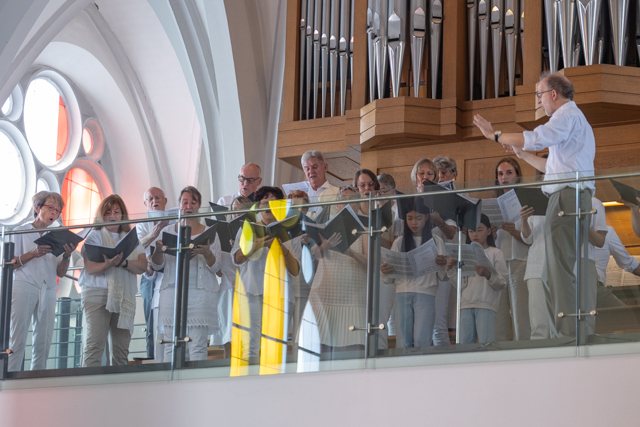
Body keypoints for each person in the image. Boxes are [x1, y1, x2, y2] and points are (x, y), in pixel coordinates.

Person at [473, 72, 596, 339]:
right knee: (554, 271)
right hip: (565, 194)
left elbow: (539, 137)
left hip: (567, 197)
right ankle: (566, 332)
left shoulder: (566, 116)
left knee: (558, 270)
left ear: (554, 93)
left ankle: (569, 335)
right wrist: (522, 154)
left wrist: (494, 134)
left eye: (539, 94)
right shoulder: (572, 121)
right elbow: (551, 169)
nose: (539, 101)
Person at [151, 186, 222, 361]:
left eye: (193, 202)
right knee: (170, 345)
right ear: (179, 205)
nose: (188, 206)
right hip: (172, 292)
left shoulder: (209, 232)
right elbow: (156, 265)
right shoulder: (166, 231)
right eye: (185, 202)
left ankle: (197, 387)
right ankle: (171, 387)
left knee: (198, 346)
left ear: (198, 205)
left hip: (201, 294)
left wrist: (207, 253)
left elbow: (218, 268)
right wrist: (159, 251)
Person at [8, 192, 76, 371]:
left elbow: (60, 273)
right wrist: (33, 253)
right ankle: (9, 379)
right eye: (51, 207)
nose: (54, 213)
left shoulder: (57, 236)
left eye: (58, 211)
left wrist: (67, 255)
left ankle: (37, 380)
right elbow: (9, 265)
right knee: (17, 337)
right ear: (37, 208)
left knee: (44, 340)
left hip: (48, 288)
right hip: (24, 284)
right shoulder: (20, 231)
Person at [232, 186, 300, 359]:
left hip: (280, 295)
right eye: (264, 202)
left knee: (276, 346)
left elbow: (295, 270)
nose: (268, 206)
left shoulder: (290, 229)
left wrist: (281, 248)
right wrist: (256, 245)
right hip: (253, 292)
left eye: (273, 202)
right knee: (251, 345)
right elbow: (237, 259)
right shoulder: (248, 228)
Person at [80, 195, 147, 367]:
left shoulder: (131, 238)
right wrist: (108, 265)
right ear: (102, 215)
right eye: (108, 212)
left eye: (117, 212)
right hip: (97, 295)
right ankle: (88, 389)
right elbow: (90, 268)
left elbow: (142, 266)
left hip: (124, 296)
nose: (112, 215)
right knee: (94, 345)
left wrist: (123, 263)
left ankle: (119, 392)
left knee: (121, 349)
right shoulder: (94, 236)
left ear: (123, 215)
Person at [304, 186, 368, 352]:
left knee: (352, 347)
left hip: (352, 294)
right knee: (321, 346)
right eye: (343, 199)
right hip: (325, 291)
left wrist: (350, 252)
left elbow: (371, 263)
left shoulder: (365, 229)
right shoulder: (325, 227)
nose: (346, 202)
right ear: (338, 204)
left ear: (358, 203)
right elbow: (314, 255)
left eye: (351, 198)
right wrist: (324, 245)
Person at [380, 198, 448, 348]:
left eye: (418, 218)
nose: (414, 223)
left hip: (426, 294)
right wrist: (385, 271)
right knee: (403, 342)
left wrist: (444, 265)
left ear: (426, 218)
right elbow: (388, 279)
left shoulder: (436, 242)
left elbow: (443, 277)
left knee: (421, 341)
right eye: (409, 218)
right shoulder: (399, 242)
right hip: (402, 293)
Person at [447, 214, 508, 344]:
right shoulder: (464, 253)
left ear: (489, 231)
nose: (475, 234)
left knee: (487, 345)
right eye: (471, 231)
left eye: (479, 230)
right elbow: (461, 285)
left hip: (486, 304)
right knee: (464, 348)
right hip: (465, 305)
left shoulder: (496, 253)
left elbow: (502, 282)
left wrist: (488, 275)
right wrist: (450, 270)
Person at [353, 169, 396, 350]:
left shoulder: (386, 214)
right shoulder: (352, 216)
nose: (367, 188)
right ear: (357, 189)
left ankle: (381, 362)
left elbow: (394, 244)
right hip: (359, 271)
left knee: (379, 322)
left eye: (371, 184)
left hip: (382, 270)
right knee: (360, 320)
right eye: (362, 185)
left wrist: (374, 235)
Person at [493, 158, 531, 341]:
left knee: (520, 315)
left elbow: (531, 239)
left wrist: (514, 232)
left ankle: (524, 356)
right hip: (499, 263)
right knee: (498, 317)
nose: (504, 177)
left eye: (509, 173)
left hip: (520, 261)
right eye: (500, 174)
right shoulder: (495, 201)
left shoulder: (526, 201)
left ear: (517, 176)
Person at [210, 196, 251, 358]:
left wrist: (241, 247)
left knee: (247, 339)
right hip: (227, 290)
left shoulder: (252, 232)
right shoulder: (222, 236)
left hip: (247, 289)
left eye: (241, 210)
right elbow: (219, 271)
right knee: (229, 337)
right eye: (234, 210)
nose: (236, 214)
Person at [136, 187, 170, 361]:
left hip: (170, 274)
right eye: (150, 198)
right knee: (151, 321)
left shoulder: (174, 221)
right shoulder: (142, 224)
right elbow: (137, 247)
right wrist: (155, 231)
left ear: (165, 201)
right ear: (145, 203)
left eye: (158, 197)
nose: (154, 201)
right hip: (150, 276)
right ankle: (152, 357)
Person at [594, 225, 640, 307]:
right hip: (595, 291)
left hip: (568, 290)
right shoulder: (607, 231)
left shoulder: (567, 231)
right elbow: (630, 264)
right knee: (630, 318)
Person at [301, 150, 340, 220]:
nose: (311, 171)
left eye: (314, 167)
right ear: (304, 172)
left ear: (325, 167)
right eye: (307, 169)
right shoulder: (301, 195)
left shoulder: (338, 193)